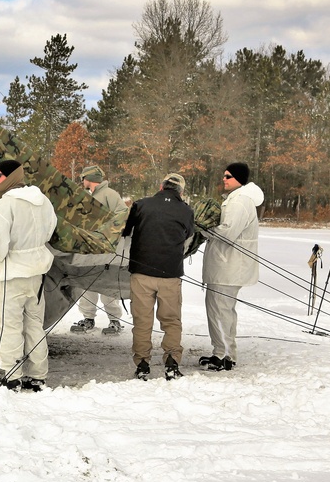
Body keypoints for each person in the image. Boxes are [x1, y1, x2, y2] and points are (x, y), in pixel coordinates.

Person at [0, 159, 58, 392]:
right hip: (37, 271)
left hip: (12, 272)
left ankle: (12, 375)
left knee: (9, 324)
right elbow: (50, 230)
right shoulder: (43, 201)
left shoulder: (5, 205)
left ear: (11, 177)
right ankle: (38, 376)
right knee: (35, 323)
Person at [121, 172, 194, 380]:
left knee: (142, 321)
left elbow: (125, 231)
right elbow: (188, 235)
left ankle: (142, 363)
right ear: (181, 191)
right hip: (170, 274)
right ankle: (172, 361)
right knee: (171, 321)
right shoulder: (186, 210)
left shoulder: (141, 205)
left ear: (161, 187)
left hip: (141, 273)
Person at [200, 162, 265, 371]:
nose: (224, 179)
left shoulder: (240, 202)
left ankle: (226, 355)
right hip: (223, 266)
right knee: (217, 309)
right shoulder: (234, 200)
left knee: (221, 310)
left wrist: (203, 229)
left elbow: (227, 233)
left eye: (228, 176)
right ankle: (220, 352)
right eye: (224, 176)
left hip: (229, 266)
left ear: (238, 179)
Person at [70, 164, 128, 335]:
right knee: (87, 284)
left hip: (106, 250)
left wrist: (107, 232)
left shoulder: (110, 194)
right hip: (90, 249)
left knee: (107, 285)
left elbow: (122, 215)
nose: (82, 181)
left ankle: (114, 320)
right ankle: (88, 318)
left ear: (91, 179)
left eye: (84, 178)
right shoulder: (89, 196)